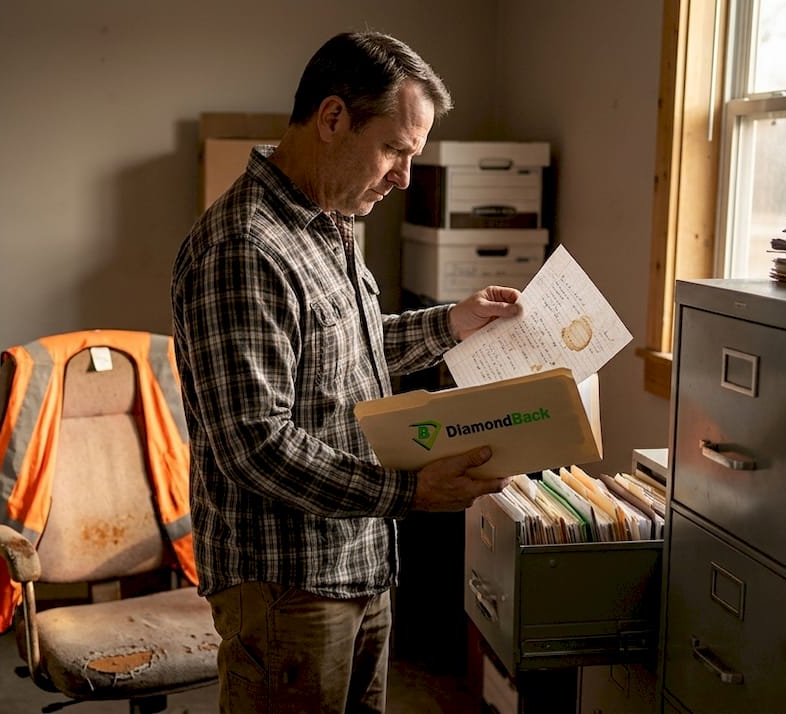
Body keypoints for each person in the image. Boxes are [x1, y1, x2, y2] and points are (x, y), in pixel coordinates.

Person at [170, 30, 523, 713]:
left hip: (357, 561)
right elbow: (256, 444)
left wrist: (452, 324)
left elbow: (342, 353)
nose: (404, 177)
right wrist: (411, 492)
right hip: (288, 585)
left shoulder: (325, 220)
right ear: (333, 119)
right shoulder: (245, 246)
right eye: (395, 149)